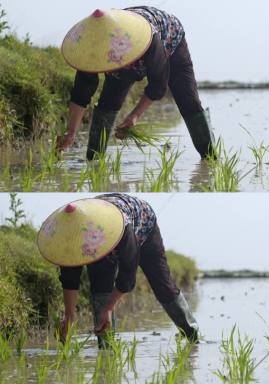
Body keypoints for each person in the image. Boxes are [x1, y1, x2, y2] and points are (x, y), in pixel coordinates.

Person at [37, 193, 199, 348]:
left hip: (141, 224)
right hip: (101, 229)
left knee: (162, 284)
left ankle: (192, 334)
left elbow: (127, 276)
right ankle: (107, 350)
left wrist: (109, 308)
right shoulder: (69, 240)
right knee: (100, 289)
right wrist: (69, 316)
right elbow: (69, 278)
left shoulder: (125, 232)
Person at [58, 6, 214, 160]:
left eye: (121, 63)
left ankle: (210, 157)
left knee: (188, 100)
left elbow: (158, 85)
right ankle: (94, 160)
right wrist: (71, 132)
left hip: (169, 41)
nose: (121, 68)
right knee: (108, 102)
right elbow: (81, 93)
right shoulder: (92, 50)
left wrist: (134, 116)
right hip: (126, 48)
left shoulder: (151, 42)